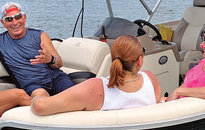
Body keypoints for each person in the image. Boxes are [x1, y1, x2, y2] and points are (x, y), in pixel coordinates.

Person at [30, 35, 161, 115]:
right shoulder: (151, 80)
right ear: (140, 60)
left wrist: (38, 96)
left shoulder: (96, 88)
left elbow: (40, 106)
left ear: (113, 58)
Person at [0, 2, 74, 97]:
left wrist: (50, 59)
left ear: (24, 18)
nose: (14, 22)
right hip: (33, 86)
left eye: (18, 17)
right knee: (41, 96)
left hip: (56, 79)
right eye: (9, 19)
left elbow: (59, 63)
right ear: (3, 23)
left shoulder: (40, 35)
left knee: (74, 94)